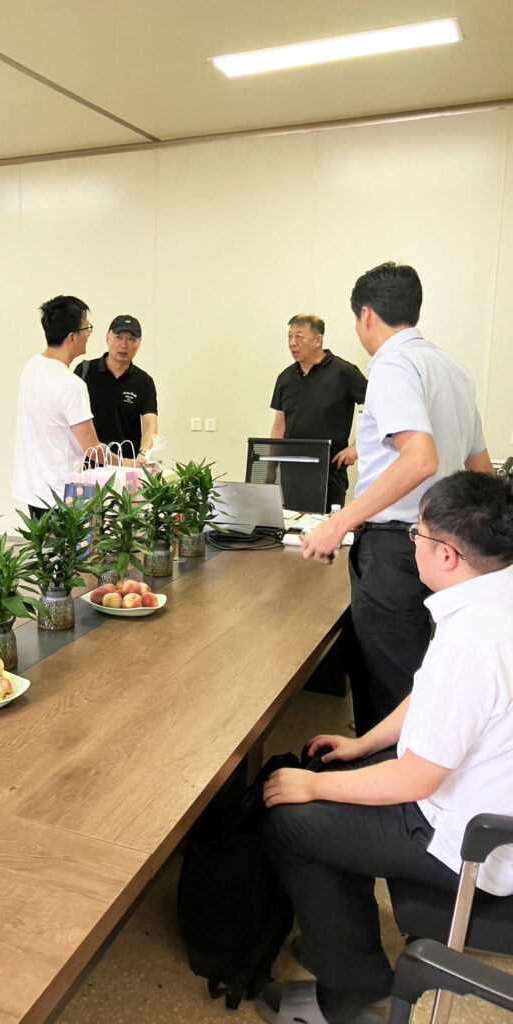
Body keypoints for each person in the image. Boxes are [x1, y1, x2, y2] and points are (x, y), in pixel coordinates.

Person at [259, 471, 513, 1024]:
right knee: (332, 774)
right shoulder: (493, 599)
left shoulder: (473, 641)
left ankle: (349, 993)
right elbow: (429, 696)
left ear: (446, 555)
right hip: (477, 799)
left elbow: (415, 780)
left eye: (416, 535)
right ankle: (341, 941)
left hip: (475, 843)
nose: (411, 543)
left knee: (292, 818)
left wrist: (315, 787)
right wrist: (362, 744)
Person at [302, 264, 493, 734]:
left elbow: (420, 459)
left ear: (366, 315)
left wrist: (338, 522)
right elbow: (482, 472)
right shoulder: (454, 371)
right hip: (448, 549)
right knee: (423, 678)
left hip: (396, 548)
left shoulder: (391, 365)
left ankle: (388, 772)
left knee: (386, 685)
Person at [11, 295, 107, 518]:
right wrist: (131, 463)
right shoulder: (71, 385)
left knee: (42, 540)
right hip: (64, 494)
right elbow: (92, 448)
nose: (89, 334)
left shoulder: (32, 367)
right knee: (74, 543)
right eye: (87, 328)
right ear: (72, 337)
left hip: (34, 489)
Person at [270, 314, 367, 510]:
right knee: (293, 524)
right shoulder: (285, 378)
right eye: (289, 337)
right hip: (292, 471)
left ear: (318, 340)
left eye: (299, 336)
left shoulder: (344, 372)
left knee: (326, 525)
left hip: (330, 471)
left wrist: (359, 446)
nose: (292, 343)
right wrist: (270, 470)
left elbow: (378, 408)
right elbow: (279, 427)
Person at [74, 314, 158, 462]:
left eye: (131, 339)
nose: (124, 345)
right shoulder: (85, 371)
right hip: (86, 464)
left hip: (126, 465)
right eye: (118, 337)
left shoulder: (144, 381)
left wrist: (143, 454)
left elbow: (150, 424)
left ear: (139, 343)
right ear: (108, 338)